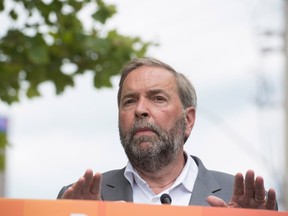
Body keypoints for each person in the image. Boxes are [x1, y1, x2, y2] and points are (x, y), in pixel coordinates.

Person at [57, 57, 277, 210]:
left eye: (157, 98)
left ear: (188, 120)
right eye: (129, 101)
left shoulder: (243, 199)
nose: (140, 109)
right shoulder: (80, 200)